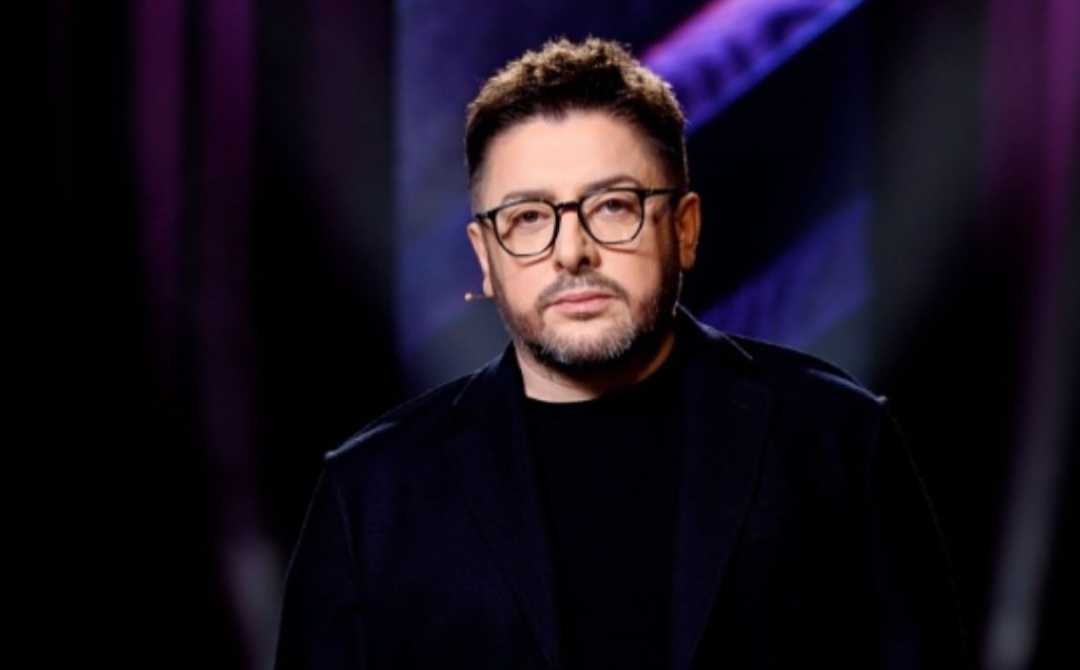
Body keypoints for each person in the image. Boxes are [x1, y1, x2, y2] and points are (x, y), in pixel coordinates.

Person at [273, 37, 968, 670]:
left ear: (685, 229)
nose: (572, 252)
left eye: (612, 206)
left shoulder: (838, 440)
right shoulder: (370, 496)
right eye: (528, 217)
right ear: (485, 257)